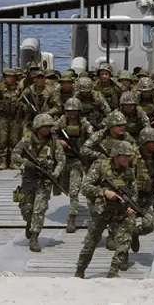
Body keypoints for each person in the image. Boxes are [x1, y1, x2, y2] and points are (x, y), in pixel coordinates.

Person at [75, 141, 138, 278]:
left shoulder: (129, 171)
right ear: (116, 155)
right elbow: (85, 187)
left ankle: (114, 270)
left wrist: (130, 207)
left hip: (120, 210)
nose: (128, 159)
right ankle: (80, 269)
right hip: (101, 210)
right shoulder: (100, 166)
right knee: (91, 242)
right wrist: (104, 192)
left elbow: (133, 193)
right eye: (124, 156)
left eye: (129, 156)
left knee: (125, 238)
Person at [12, 113, 66, 252]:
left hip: (45, 180)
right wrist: (25, 163)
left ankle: (34, 237)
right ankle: (29, 222)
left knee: (39, 210)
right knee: (26, 209)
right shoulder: (27, 140)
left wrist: (54, 174)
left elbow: (61, 160)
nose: (47, 129)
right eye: (44, 126)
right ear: (37, 127)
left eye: (49, 126)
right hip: (29, 179)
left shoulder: (54, 142)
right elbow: (15, 154)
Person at [55, 97, 94, 233]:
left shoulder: (84, 124)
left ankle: (72, 217)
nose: (72, 114)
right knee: (64, 187)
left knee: (74, 190)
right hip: (63, 160)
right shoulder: (61, 122)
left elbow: (93, 138)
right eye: (69, 111)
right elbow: (50, 133)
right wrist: (59, 141)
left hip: (78, 160)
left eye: (74, 111)